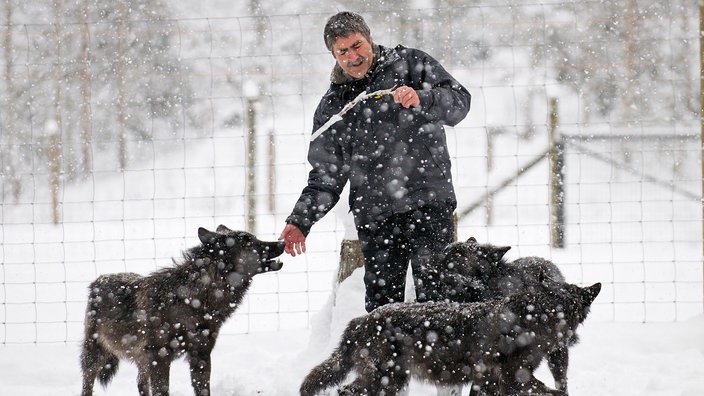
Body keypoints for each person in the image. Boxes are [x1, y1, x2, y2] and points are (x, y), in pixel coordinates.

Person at [279, 11, 471, 313]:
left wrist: (424, 98)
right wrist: (300, 220)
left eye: (357, 45)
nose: (353, 56)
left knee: (439, 304)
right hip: (376, 215)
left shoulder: (410, 64)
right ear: (333, 54)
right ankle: (389, 361)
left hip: (428, 200)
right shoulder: (334, 107)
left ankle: (437, 361)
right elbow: (325, 176)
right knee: (382, 312)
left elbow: (460, 103)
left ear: (369, 38)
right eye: (343, 51)